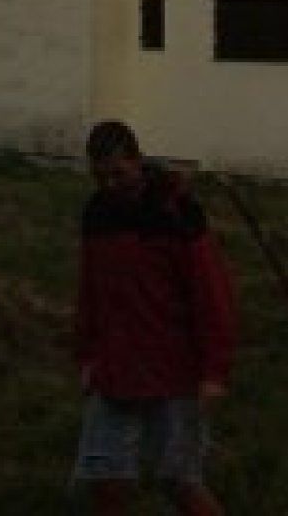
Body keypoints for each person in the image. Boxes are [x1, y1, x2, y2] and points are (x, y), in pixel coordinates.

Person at [72, 119, 235, 515]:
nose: (110, 184)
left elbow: (210, 295)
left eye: (118, 174)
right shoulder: (97, 214)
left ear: (138, 162)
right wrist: (87, 357)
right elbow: (90, 292)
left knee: (180, 482)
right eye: (100, 176)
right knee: (105, 480)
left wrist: (214, 372)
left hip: (173, 369)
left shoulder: (178, 214)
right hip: (115, 367)